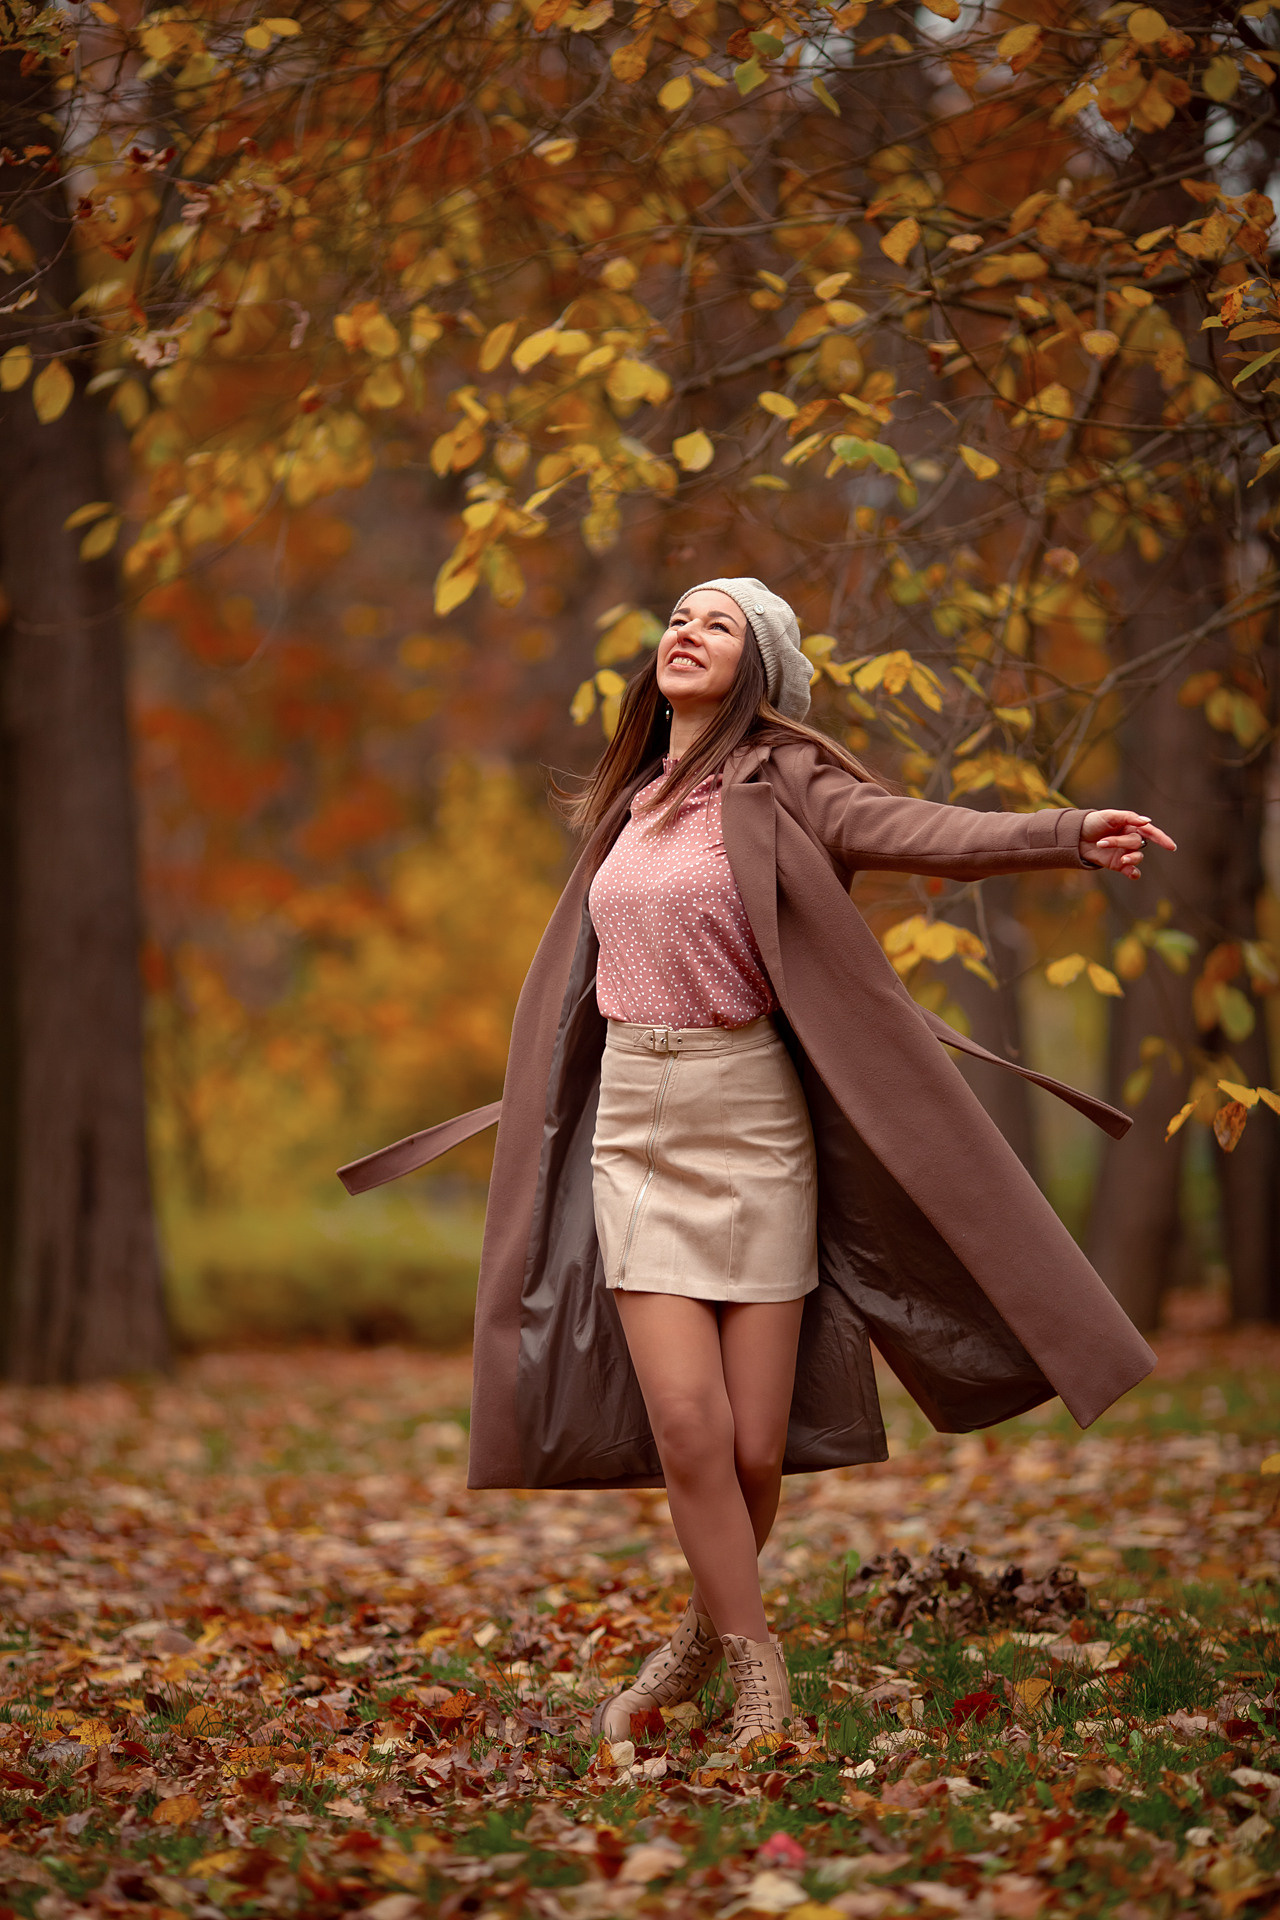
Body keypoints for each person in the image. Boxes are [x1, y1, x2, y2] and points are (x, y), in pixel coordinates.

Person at [339, 577, 1175, 1756]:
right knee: (684, 1424)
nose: (684, 631)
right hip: (633, 1123)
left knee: (752, 1447)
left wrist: (1060, 837)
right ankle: (758, 1680)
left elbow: (918, 829)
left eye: (717, 623)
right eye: (678, 617)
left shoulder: (786, 781)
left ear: (761, 666)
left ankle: (693, 1639)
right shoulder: (627, 804)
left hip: (753, 1122)